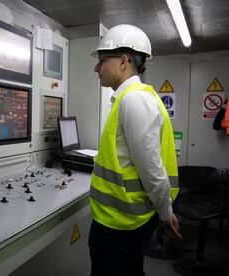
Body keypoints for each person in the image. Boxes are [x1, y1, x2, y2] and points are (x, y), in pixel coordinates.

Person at [88, 24, 183, 276]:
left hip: (120, 226)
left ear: (123, 60)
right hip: (123, 222)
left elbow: (152, 169)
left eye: (101, 59)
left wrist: (165, 213)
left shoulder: (133, 100)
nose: (96, 67)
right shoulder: (131, 98)